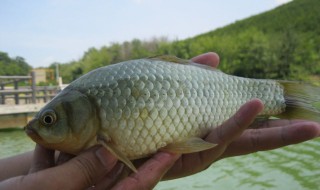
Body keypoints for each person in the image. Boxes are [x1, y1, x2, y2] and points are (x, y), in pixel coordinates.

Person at [0, 52, 319, 190]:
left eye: (50, 119)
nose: (38, 128)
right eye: (49, 119)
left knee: (272, 109)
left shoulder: (91, 98)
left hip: (207, 98)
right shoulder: (88, 94)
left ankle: (286, 98)